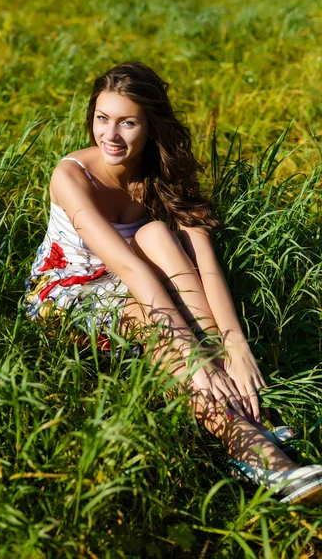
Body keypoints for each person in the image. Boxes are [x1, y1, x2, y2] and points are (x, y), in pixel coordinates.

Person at [25, 61, 322, 504]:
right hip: (65, 295)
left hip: (128, 284)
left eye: (127, 122)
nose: (110, 135)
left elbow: (204, 263)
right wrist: (190, 352)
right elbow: (133, 272)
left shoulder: (162, 173)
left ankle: (230, 391)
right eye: (102, 118)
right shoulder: (71, 177)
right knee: (160, 334)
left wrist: (233, 344)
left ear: (150, 126)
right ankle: (255, 450)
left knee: (157, 234)